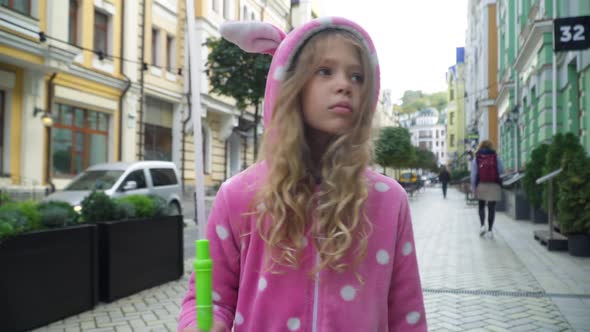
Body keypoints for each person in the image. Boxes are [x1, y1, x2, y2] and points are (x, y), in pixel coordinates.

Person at [177, 17, 427, 332]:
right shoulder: (240, 195)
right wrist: (202, 324)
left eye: (357, 76)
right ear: (291, 85)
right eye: (324, 71)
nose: (344, 84)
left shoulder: (389, 201)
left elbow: (407, 314)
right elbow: (209, 298)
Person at [470, 140, 504, 238]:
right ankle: (490, 230)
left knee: (481, 206)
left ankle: (482, 226)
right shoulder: (495, 157)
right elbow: (501, 170)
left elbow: (473, 174)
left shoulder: (477, 158)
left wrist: (473, 187)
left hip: (481, 184)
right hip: (494, 184)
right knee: (491, 208)